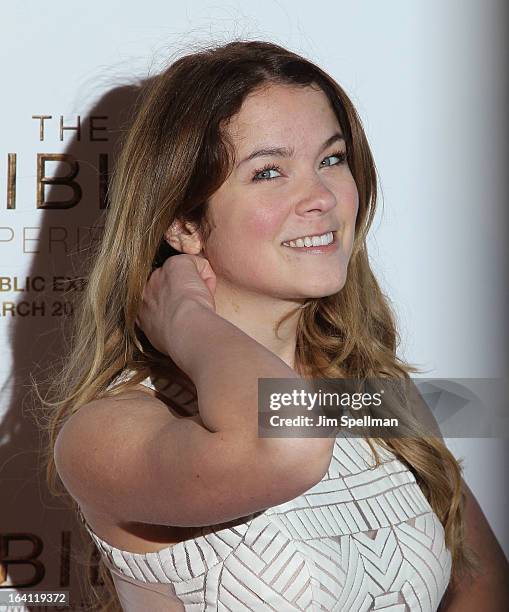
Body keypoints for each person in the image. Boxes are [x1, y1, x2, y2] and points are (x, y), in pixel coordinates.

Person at [41, 40, 507, 611]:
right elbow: (287, 444)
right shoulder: (106, 431)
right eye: (269, 172)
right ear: (184, 224)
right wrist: (184, 317)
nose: (321, 197)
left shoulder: (365, 395)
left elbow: (484, 579)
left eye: (332, 160)